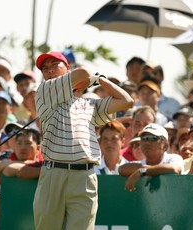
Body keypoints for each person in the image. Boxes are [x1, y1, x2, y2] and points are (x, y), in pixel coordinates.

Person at [33, 51, 134, 229]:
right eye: (45, 68)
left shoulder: (89, 104)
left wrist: (101, 80)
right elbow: (83, 74)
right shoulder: (44, 91)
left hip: (84, 176)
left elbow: (127, 101)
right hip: (53, 173)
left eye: (54, 65)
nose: (49, 70)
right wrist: (90, 79)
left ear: (67, 68)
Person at [119, 124, 184, 192]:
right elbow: (122, 169)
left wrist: (142, 172)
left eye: (152, 138)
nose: (147, 142)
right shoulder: (140, 164)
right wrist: (145, 170)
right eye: (144, 138)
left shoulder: (173, 158)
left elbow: (175, 169)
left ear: (165, 145)